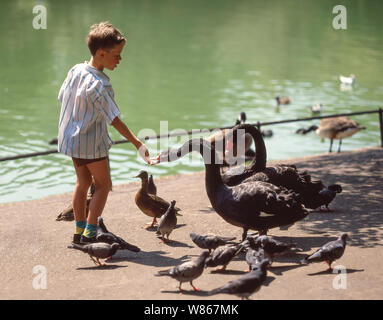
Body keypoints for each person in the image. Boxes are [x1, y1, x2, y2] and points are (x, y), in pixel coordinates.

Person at [57, 22, 150, 244]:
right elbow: (114, 119)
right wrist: (137, 143)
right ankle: (90, 234)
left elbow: (62, 96)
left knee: (82, 183)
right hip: (90, 142)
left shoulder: (75, 70)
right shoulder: (101, 84)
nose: (119, 60)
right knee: (104, 185)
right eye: (116, 55)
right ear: (101, 53)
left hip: (71, 138)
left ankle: (78, 233)